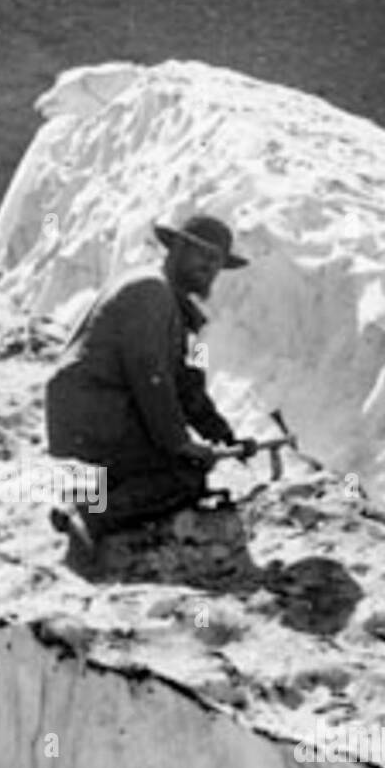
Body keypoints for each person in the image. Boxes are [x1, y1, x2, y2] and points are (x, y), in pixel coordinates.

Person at [45, 213, 258, 540]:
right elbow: (151, 378)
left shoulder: (163, 296)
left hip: (99, 412)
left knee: (170, 465)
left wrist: (224, 436)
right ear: (177, 248)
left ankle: (91, 491)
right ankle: (86, 513)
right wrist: (182, 444)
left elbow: (183, 382)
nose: (210, 267)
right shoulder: (151, 293)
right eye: (202, 254)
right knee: (185, 477)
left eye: (216, 261)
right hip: (95, 413)